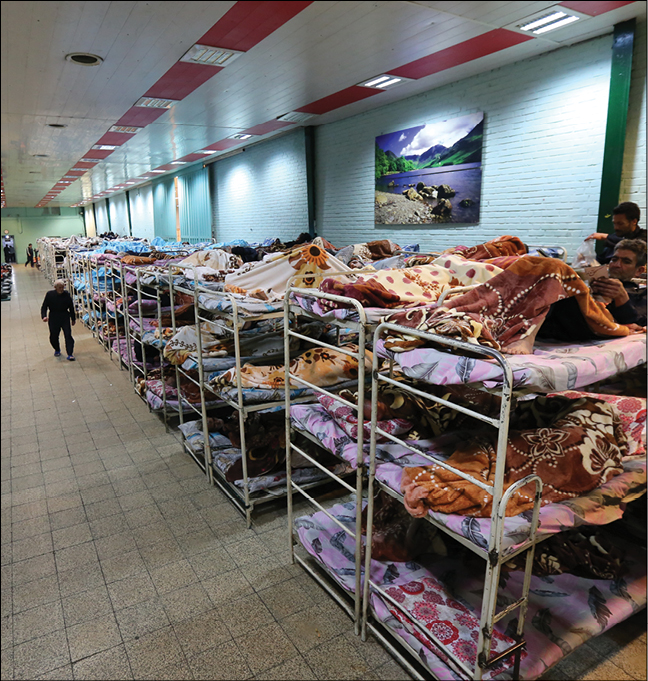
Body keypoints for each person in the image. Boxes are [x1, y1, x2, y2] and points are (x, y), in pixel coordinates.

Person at [590, 239, 646, 327]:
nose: (616, 265)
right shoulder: (595, 283)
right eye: (614, 259)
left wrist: (622, 299)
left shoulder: (642, 295)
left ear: (639, 270)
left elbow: (638, 324)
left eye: (626, 262)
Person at [41, 280, 76, 360]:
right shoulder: (50, 295)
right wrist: (44, 316)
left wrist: (73, 318)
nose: (61, 289)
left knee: (68, 335)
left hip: (64, 316)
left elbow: (71, 307)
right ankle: (57, 349)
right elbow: (44, 307)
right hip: (53, 317)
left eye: (62, 287)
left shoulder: (66, 295)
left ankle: (70, 353)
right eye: (59, 287)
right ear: (55, 287)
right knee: (53, 336)